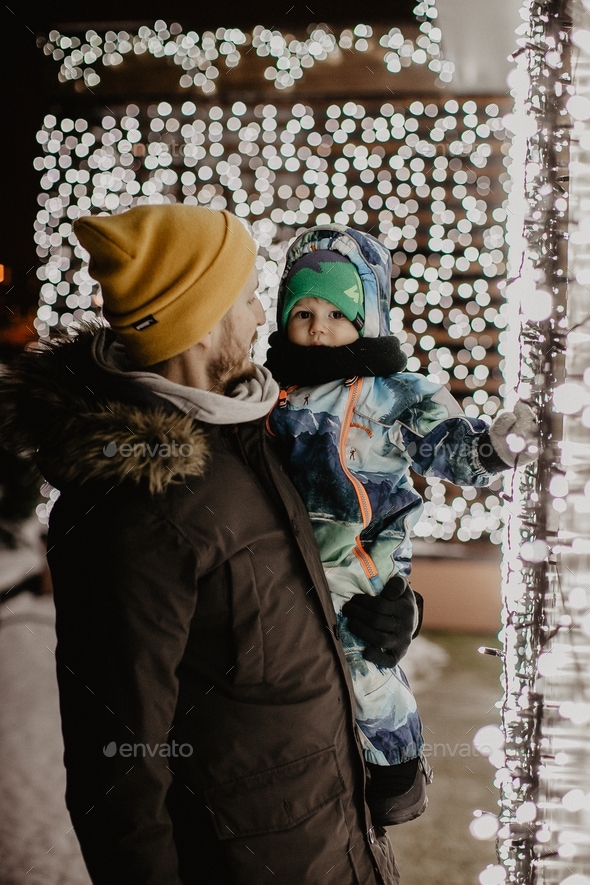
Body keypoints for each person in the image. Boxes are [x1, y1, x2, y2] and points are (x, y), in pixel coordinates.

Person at [0, 206, 417, 884]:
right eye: (249, 296)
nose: (262, 317)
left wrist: (394, 615)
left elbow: (329, 570)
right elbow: (118, 776)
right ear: (200, 319)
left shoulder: (256, 432)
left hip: (337, 840)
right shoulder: (128, 511)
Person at [264, 224, 539, 826]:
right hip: (282, 562)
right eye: (303, 310)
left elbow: (452, 450)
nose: (318, 326)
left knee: (366, 668)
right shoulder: (266, 393)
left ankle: (396, 774)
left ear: (370, 313)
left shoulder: (393, 395)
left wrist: (497, 445)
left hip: (362, 557)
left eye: (339, 311)